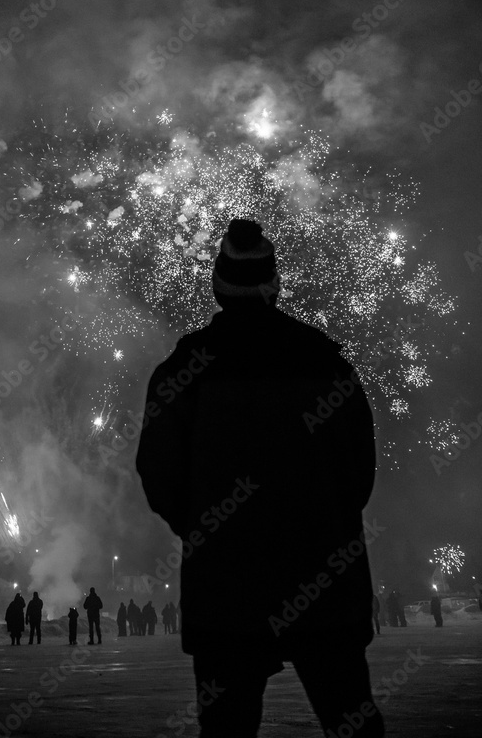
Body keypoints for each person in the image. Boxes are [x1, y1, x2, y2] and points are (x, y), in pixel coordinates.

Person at [137, 218, 384, 738]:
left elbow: (158, 473)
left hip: (227, 589)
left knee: (227, 728)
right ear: (274, 284)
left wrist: (206, 528)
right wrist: (328, 525)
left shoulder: (186, 368)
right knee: (351, 720)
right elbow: (360, 466)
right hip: (325, 581)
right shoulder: (325, 361)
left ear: (218, 286)